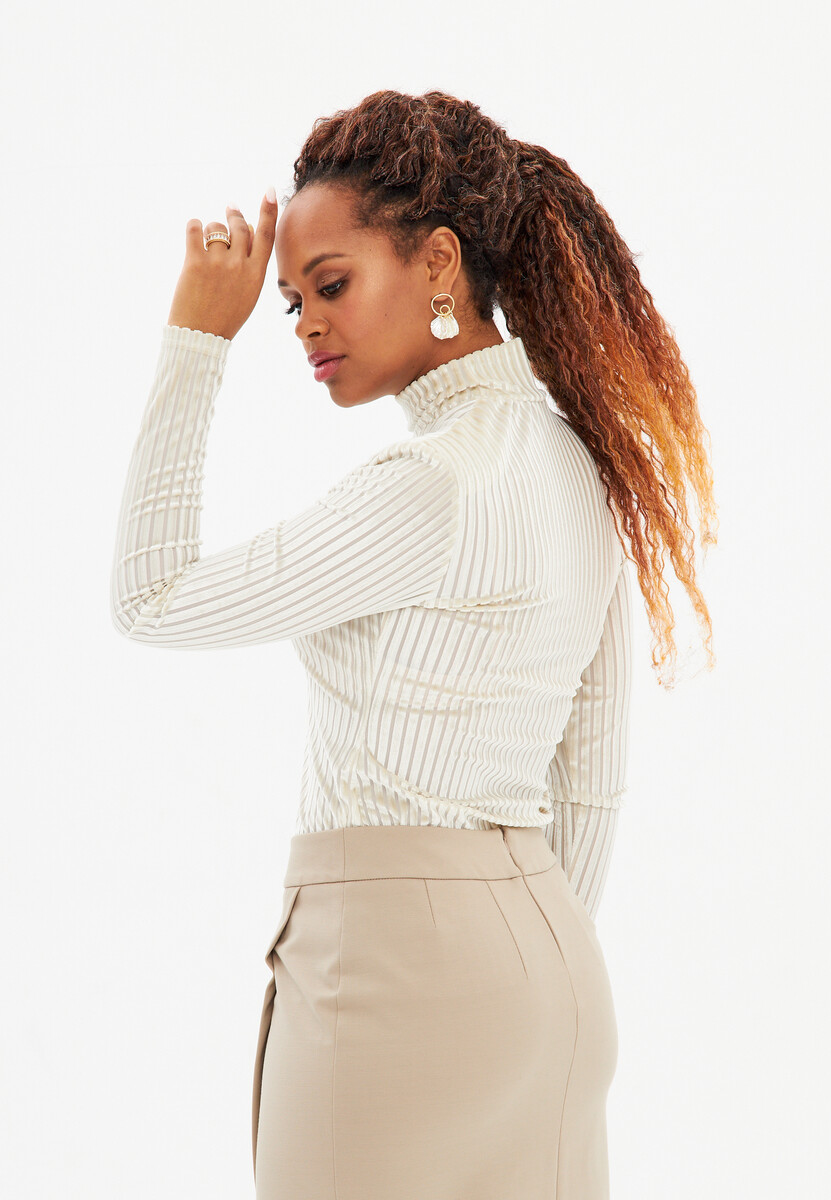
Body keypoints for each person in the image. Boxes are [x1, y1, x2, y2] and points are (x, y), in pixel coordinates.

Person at [110, 89, 717, 1200]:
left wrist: (197, 337)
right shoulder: (576, 465)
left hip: (391, 980)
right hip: (551, 975)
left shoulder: (428, 485)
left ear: (439, 261)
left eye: (330, 285)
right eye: (288, 304)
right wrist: (514, 962)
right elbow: (592, 778)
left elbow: (151, 597)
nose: (305, 326)